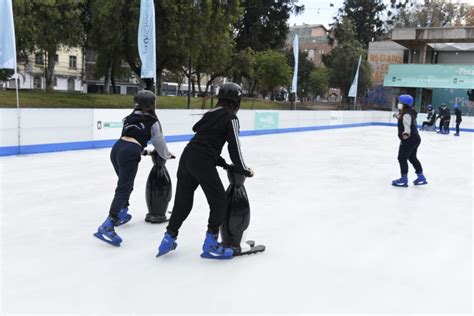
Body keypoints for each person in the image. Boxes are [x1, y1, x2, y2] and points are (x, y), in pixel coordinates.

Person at [156, 82, 254, 260]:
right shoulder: (231, 117)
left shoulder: (210, 115)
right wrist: (243, 168)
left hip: (188, 157)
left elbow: (205, 142)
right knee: (219, 200)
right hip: (202, 160)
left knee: (183, 202)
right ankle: (210, 243)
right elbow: (234, 147)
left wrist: (223, 164)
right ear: (236, 102)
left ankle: (168, 238)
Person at [94, 90, 174, 246]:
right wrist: (166, 155)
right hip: (129, 153)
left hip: (117, 149)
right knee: (124, 188)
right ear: (152, 104)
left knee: (125, 184)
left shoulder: (129, 118)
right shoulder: (152, 121)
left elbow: (129, 138)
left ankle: (122, 212)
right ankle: (108, 224)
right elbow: (159, 143)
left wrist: (143, 151)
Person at [392, 94, 427, 187]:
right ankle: (421, 177)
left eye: (400, 102)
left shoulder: (406, 114)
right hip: (416, 138)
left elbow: (407, 125)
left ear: (405, 104)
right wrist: (397, 116)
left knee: (402, 158)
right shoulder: (409, 112)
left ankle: (404, 179)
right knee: (412, 158)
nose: (398, 103)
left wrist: (405, 134)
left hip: (409, 139)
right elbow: (404, 118)